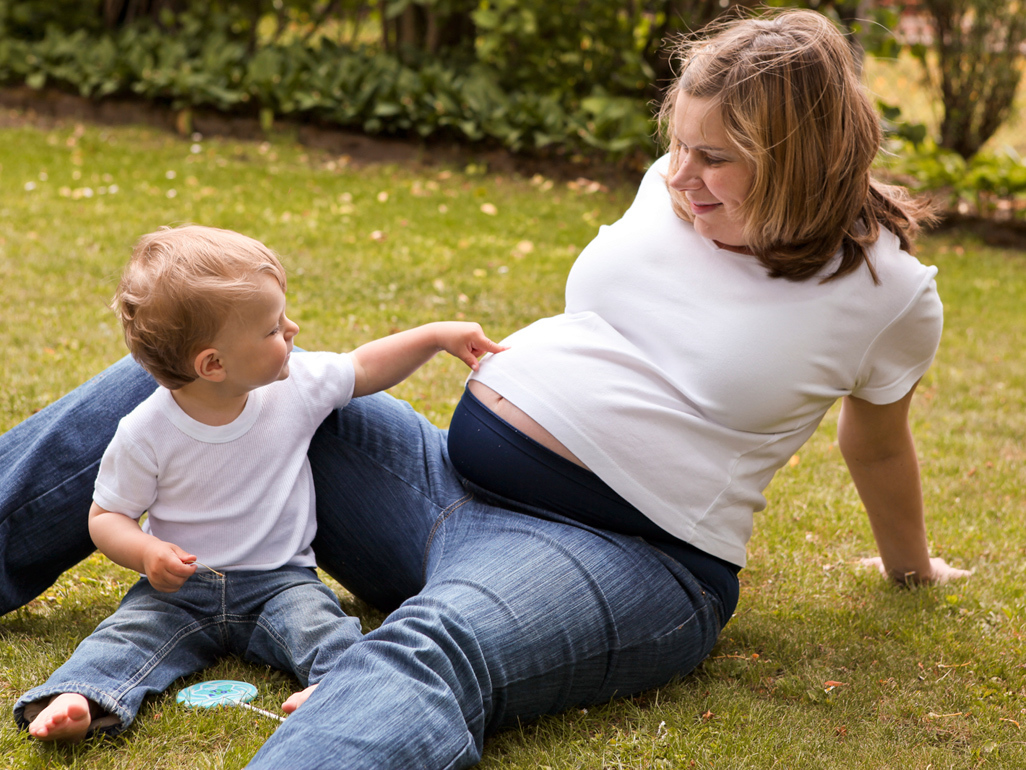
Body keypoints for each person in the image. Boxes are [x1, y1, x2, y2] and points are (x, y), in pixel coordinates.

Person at [1, 8, 971, 767]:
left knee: (427, 649)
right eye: (677, 142)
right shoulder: (671, 185)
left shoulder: (888, 294)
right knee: (180, 386)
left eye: (714, 157)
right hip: (437, 484)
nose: (681, 175)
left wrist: (912, 566)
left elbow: (877, 440)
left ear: (799, 158)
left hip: (625, 554)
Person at [11, 225, 504, 743]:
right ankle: (79, 697)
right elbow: (106, 517)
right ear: (213, 364)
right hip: (181, 591)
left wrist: (434, 336)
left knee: (325, 630)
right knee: (124, 636)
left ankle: (338, 685)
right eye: (272, 328)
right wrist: (144, 554)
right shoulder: (144, 431)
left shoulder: (297, 386)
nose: (292, 330)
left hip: (281, 581)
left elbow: (363, 366)